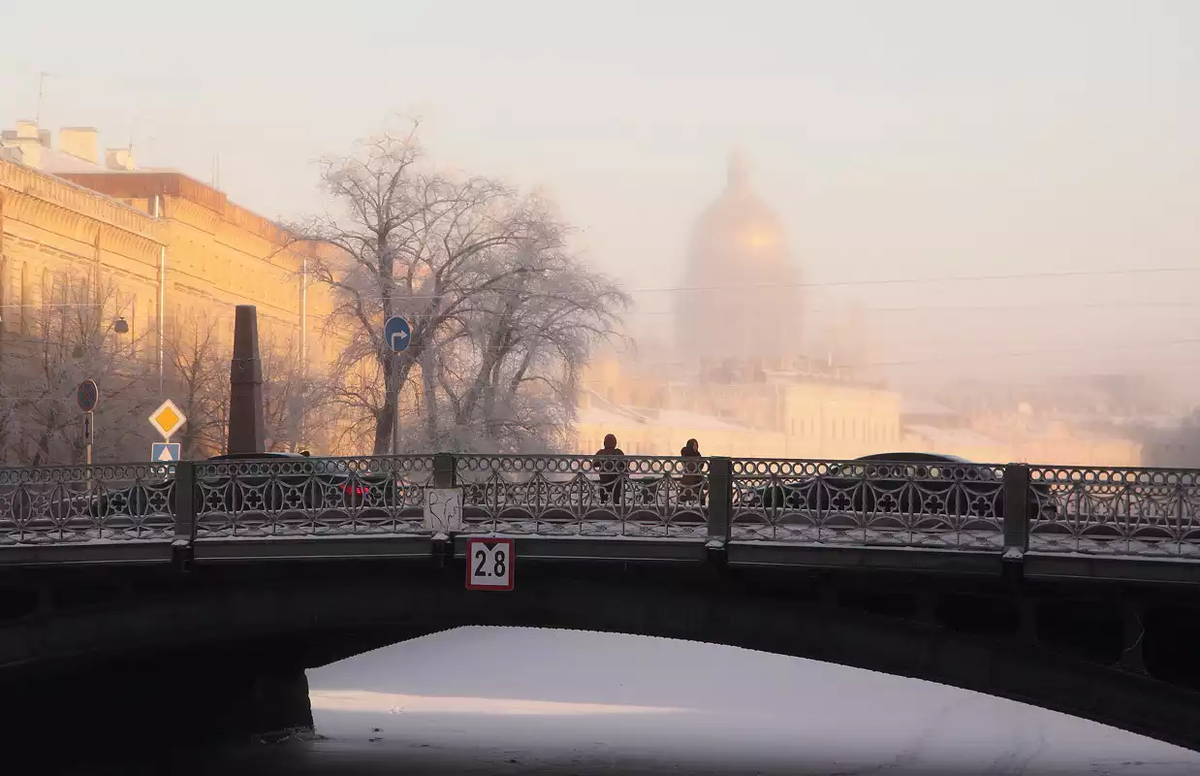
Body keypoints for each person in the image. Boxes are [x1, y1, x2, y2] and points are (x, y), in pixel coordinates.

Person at [594, 434, 626, 505]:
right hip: (616, 481)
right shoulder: (618, 452)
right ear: (615, 443)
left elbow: (594, 464)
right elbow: (625, 465)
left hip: (604, 481)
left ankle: (603, 511)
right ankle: (617, 513)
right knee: (616, 502)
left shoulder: (600, 453)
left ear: (604, 442)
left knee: (603, 502)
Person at [680, 438, 704, 504]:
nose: (696, 447)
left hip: (695, 479)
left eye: (697, 445)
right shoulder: (686, 455)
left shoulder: (697, 454)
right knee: (699, 497)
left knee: (699, 497)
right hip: (691, 480)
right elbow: (692, 467)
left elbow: (700, 466)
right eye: (694, 445)